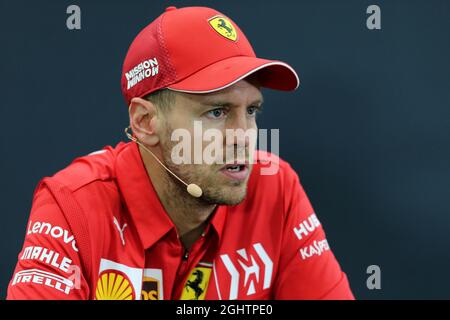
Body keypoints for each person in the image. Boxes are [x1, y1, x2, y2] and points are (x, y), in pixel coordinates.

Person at [7, 6, 354, 300]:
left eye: (251, 111)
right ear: (145, 122)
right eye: (216, 112)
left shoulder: (276, 187)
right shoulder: (73, 206)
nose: (244, 137)